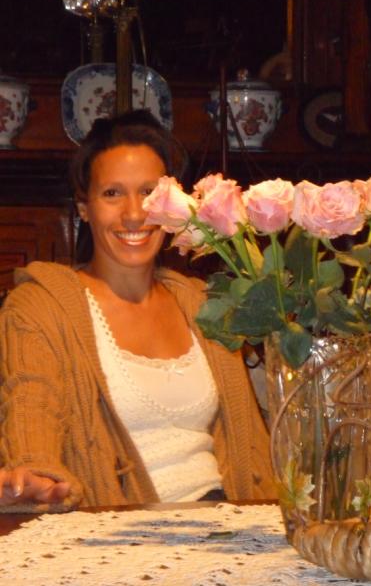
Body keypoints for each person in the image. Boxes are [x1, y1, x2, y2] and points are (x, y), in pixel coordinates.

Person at [0, 110, 277, 513]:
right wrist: (33, 477)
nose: (134, 214)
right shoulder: (41, 307)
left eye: (149, 192)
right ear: (84, 207)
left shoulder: (202, 302)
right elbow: (32, 402)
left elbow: (252, 438)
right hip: (117, 530)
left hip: (226, 523)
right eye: (112, 193)